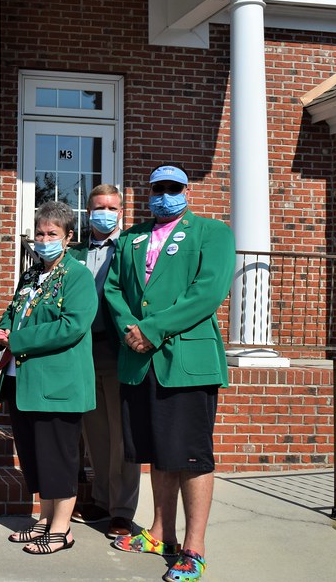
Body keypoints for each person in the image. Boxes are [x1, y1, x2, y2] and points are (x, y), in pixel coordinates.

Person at [104, 166, 235, 582]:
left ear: (185, 191)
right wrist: (132, 329)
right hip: (139, 360)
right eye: (157, 188)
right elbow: (112, 290)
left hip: (185, 362)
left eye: (172, 188)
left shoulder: (212, 233)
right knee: (158, 452)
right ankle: (162, 533)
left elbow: (208, 291)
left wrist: (153, 330)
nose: (164, 195)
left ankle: (194, 548)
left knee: (192, 456)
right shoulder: (130, 237)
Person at [0, 200, 97, 555]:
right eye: (39, 233)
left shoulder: (78, 276)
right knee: (36, 457)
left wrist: (18, 339)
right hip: (23, 381)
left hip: (59, 384)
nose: (43, 239)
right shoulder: (31, 274)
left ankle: (62, 528)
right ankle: (44, 519)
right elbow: (13, 311)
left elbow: (72, 326)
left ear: (68, 237)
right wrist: (2, 330)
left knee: (58, 457)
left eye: (52, 233)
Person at [66, 184, 141, 538]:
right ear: (88, 211)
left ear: (121, 213)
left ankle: (122, 510)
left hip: (119, 348)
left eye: (111, 207)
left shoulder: (130, 248)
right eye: (98, 207)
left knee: (121, 434)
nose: (104, 213)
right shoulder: (75, 252)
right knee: (94, 429)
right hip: (83, 350)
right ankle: (99, 497)